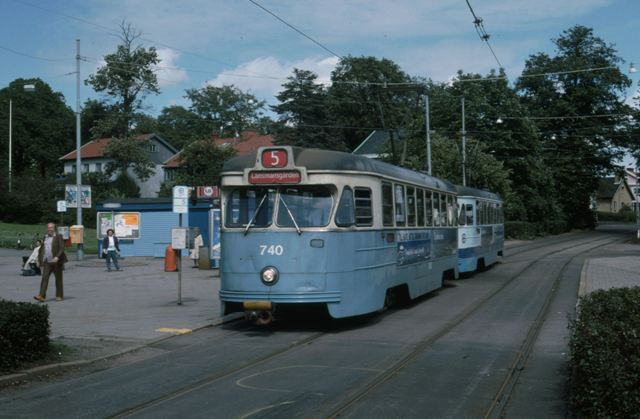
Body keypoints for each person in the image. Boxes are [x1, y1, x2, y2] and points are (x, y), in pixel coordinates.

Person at [34, 223, 68, 302]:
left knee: (58, 279)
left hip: (56, 261)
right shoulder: (45, 237)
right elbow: (42, 249)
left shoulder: (58, 236)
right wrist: (39, 260)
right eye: (49, 227)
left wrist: (57, 257)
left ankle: (59, 295)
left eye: (51, 227)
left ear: (54, 228)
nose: (50, 229)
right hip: (47, 261)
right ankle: (41, 296)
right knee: (44, 278)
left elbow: (62, 247)